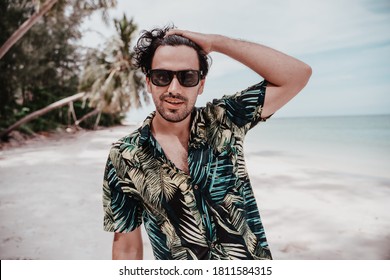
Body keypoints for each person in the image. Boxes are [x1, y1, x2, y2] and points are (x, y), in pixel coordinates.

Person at [102, 25, 312, 260]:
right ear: (149, 82)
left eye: (187, 77)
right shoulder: (125, 155)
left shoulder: (224, 120)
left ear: (201, 84)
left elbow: (297, 75)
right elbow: (127, 246)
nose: (174, 89)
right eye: (162, 76)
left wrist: (217, 42)